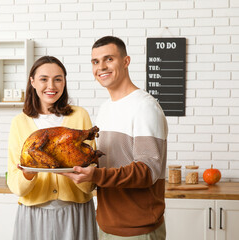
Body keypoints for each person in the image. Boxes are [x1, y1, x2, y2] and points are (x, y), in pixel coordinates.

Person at [61, 36, 168, 240]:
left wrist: (95, 176)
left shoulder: (145, 106)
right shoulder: (105, 108)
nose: (101, 67)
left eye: (109, 59)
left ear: (126, 61)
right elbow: (108, 164)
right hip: (106, 225)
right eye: (95, 61)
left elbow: (147, 171)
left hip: (138, 230)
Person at [7, 56, 98, 240]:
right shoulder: (19, 122)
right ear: (32, 81)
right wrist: (28, 174)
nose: (51, 86)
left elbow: (92, 177)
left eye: (58, 79)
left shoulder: (80, 116)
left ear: (64, 82)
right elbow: (15, 184)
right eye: (43, 79)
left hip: (76, 212)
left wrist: (83, 176)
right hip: (34, 214)